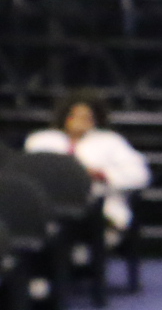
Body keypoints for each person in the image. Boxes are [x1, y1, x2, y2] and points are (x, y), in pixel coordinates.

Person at [24, 92, 149, 235]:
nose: (79, 121)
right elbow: (26, 174)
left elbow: (140, 176)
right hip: (50, 209)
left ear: (95, 119)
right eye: (74, 115)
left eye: (86, 117)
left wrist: (102, 175)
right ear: (64, 117)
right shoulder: (40, 141)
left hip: (100, 210)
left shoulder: (111, 142)